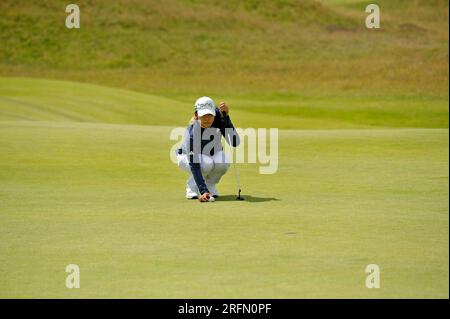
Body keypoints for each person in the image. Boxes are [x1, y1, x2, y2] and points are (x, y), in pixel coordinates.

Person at [176, 96, 240, 202]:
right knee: (206, 163)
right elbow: (194, 164)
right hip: (186, 158)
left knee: (223, 161)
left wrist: (226, 118)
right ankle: (192, 187)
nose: (207, 119)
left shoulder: (218, 118)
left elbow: (234, 142)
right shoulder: (192, 132)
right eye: (203, 115)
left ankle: (210, 185)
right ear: (196, 115)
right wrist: (202, 190)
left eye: (210, 115)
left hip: (209, 155)